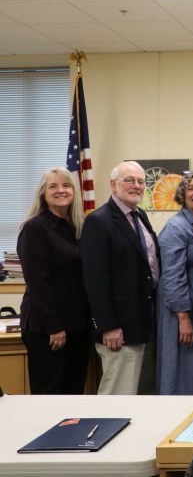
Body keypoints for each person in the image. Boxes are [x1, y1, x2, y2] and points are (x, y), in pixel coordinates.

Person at [81, 161, 160, 395]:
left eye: (140, 181)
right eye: (129, 180)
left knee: (134, 395)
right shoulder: (99, 221)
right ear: (113, 185)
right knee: (118, 396)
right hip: (118, 329)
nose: (136, 186)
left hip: (141, 322)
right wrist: (108, 326)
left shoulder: (140, 216)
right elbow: (95, 279)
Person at [17, 167, 89, 394]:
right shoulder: (35, 228)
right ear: (43, 193)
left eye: (66, 185)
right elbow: (37, 282)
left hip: (78, 326)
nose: (61, 190)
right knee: (49, 397)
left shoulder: (78, 228)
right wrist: (55, 327)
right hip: (48, 330)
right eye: (53, 186)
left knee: (74, 395)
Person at [156, 170, 193, 395]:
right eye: (191, 188)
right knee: (186, 368)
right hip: (182, 307)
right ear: (182, 194)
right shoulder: (176, 227)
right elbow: (172, 275)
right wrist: (184, 317)